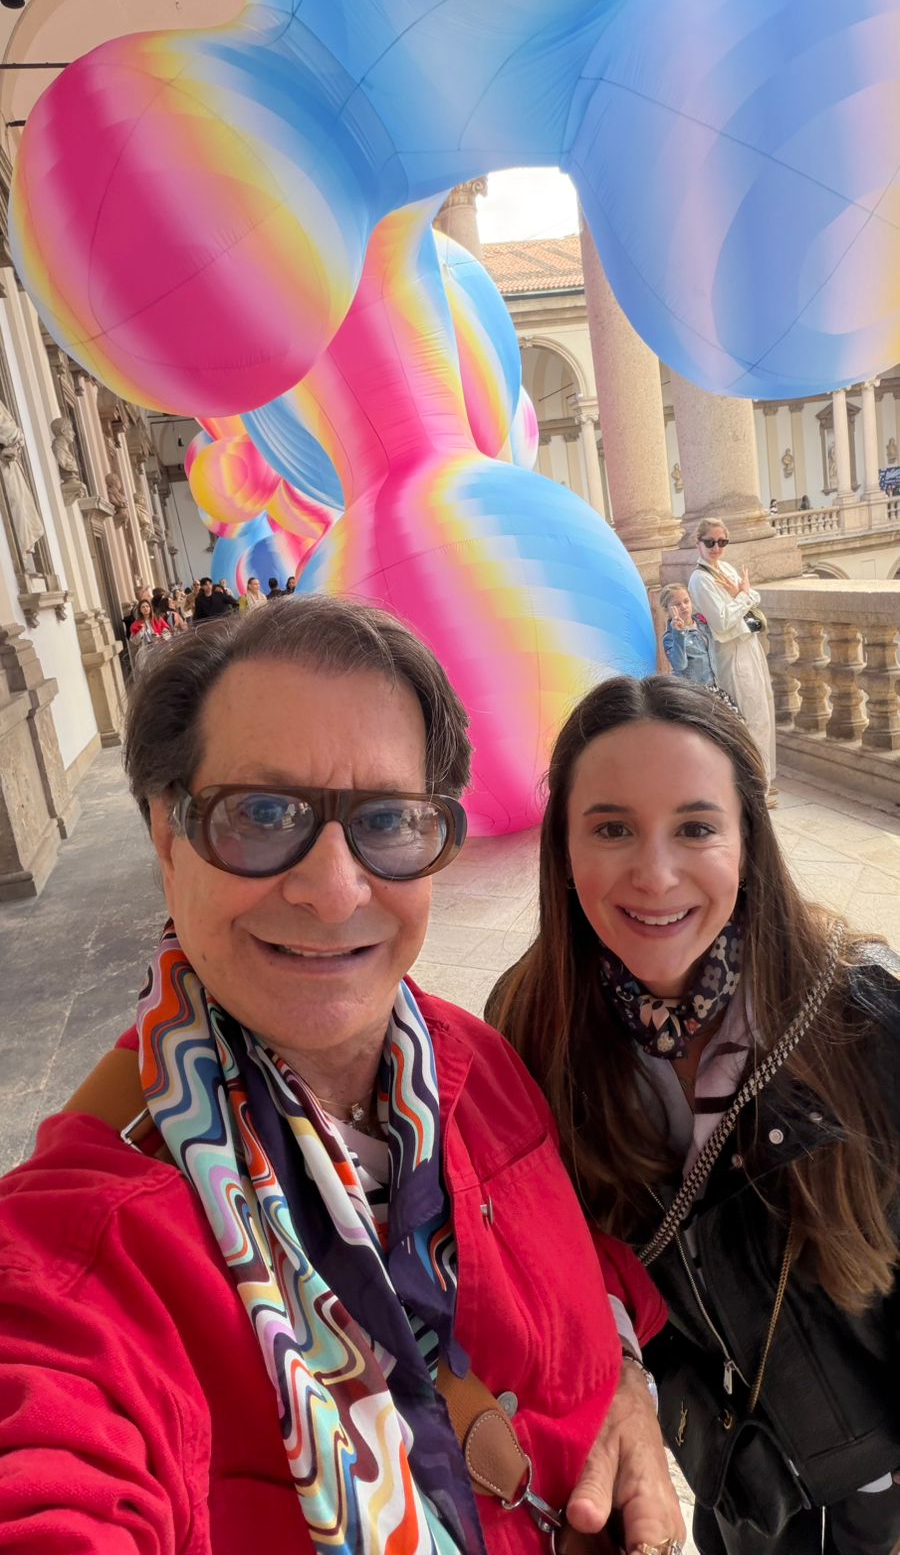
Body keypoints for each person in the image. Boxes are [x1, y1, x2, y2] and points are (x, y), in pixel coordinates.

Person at [0, 599, 686, 1555]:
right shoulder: (81, 1245)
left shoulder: (476, 1058)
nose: (333, 890)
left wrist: (627, 1388)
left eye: (389, 820)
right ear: (166, 836)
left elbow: (578, 1259)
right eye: (261, 814)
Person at [487, 674, 900, 1555]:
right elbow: (556, 1254)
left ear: (748, 839)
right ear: (563, 846)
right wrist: (624, 1382)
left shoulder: (862, 1023)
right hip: (734, 1488)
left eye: (696, 828)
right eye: (611, 829)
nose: (655, 875)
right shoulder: (531, 1028)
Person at [687, 520, 777, 800]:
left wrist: (742, 596)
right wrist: (743, 596)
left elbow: (753, 596)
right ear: (698, 543)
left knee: (761, 714)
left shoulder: (726, 568)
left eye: (722, 542)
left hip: (749, 646)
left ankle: (762, 782)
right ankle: (752, 788)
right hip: (730, 654)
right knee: (745, 718)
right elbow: (722, 622)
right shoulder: (700, 580)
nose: (716, 548)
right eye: (710, 542)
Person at [659, 585, 716, 688]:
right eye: (677, 604)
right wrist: (679, 633)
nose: (684, 606)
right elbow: (680, 665)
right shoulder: (670, 638)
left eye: (686, 601)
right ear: (667, 609)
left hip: (714, 685)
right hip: (693, 690)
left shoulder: (702, 622)